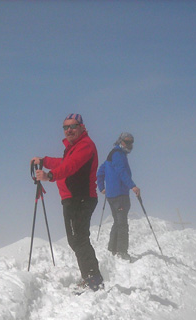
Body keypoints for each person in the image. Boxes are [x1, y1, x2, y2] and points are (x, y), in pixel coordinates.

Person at [31, 114, 103, 290]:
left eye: (73, 126)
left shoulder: (85, 145)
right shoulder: (74, 147)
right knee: (76, 239)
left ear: (81, 127)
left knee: (79, 239)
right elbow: (65, 162)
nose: (69, 130)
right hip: (73, 199)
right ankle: (91, 278)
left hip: (80, 198)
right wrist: (45, 161)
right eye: (65, 127)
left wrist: (50, 175)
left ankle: (93, 280)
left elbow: (71, 166)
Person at [97, 132, 140, 261]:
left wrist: (102, 188)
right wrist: (132, 186)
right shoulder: (118, 155)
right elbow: (121, 172)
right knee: (122, 224)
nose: (129, 144)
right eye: (127, 141)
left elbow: (100, 172)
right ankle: (122, 252)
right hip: (120, 194)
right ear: (120, 141)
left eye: (131, 142)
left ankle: (113, 249)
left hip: (112, 195)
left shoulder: (112, 154)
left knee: (117, 221)